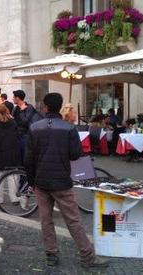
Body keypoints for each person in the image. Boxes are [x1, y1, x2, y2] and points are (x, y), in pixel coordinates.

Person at [25, 93, 108, 268]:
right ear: (60, 106)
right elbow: (75, 154)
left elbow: (28, 158)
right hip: (62, 180)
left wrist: (32, 182)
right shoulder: (69, 129)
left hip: (41, 180)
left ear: (45, 107)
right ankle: (87, 256)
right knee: (73, 220)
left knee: (46, 219)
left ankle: (51, 254)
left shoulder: (34, 127)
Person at [0, 104, 22, 205]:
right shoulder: (13, 122)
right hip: (12, 151)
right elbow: (18, 136)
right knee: (13, 175)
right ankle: (14, 198)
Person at [12, 89, 42, 162]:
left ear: (17, 98)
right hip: (17, 135)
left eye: (13, 97)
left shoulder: (29, 107)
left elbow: (25, 121)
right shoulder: (15, 108)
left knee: (26, 157)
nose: (12, 99)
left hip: (26, 136)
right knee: (18, 157)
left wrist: (22, 111)